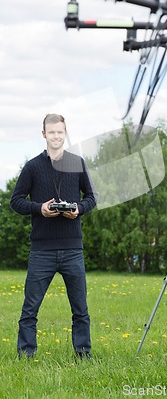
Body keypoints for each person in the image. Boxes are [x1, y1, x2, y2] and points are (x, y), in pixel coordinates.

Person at [10, 113, 97, 359]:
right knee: (30, 308)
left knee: (80, 309)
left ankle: (83, 354)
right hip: (42, 250)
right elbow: (15, 201)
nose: (56, 136)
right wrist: (39, 208)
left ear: (65, 133)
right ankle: (26, 355)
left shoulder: (78, 163)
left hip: (72, 249)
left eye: (60, 132)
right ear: (44, 134)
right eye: (51, 132)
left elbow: (92, 197)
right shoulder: (32, 166)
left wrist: (78, 209)